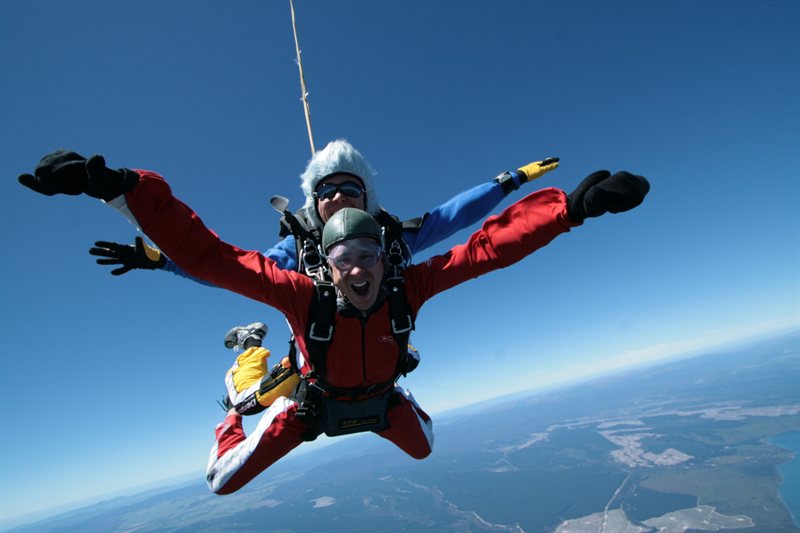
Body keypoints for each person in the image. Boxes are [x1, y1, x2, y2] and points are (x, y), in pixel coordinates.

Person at [18, 150, 649, 495]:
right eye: (343, 256)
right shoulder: (299, 284)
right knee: (221, 481)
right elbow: (213, 260)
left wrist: (567, 207)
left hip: (379, 392)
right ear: (320, 237)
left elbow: (477, 242)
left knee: (425, 448)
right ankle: (236, 399)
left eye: (368, 253)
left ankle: (393, 391)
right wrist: (124, 190)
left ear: (381, 243)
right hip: (311, 398)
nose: (358, 268)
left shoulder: (403, 270)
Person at [88, 139, 561, 278]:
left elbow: (453, 215)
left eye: (349, 187)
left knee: (422, 447)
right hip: (317, 379)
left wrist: (508, 181)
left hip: (379, 369)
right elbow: (226, 267)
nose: (337, 196)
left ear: (368, 197)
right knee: (227, 477)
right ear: (313, 203)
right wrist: (163, 259)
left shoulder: (393, 239)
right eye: (326, 190)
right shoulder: (297, 253)